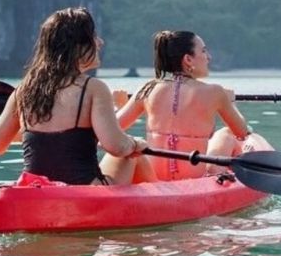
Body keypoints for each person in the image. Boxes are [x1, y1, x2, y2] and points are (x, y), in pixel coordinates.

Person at [0, 7, 148, 185]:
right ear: (78, 47)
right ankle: (164, 206)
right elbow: (116, 146)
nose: (99, 42)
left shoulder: (23, 91)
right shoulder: (93, 88)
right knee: (132, 157)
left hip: (35, 189)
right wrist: (134, 144)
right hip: (84, 192)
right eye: (93, 37)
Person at [100, 30, 250, 182]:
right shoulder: (215, 92)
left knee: (129, 147)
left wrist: (119, 106)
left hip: (153, 180)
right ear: (188, 60)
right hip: (191, 184)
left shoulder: (148, 89)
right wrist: (231, 102)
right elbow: (242, 132)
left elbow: (109, 132)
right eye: (203, 51)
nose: (208, 57)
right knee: (225, 134)